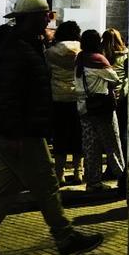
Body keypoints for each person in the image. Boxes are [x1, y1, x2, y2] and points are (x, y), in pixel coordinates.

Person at [0, 0, 102, 255]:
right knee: (47, 185)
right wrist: (15, 133)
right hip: (20, 133)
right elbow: (10, 94)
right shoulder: (18, 49)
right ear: (32, 18)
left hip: (12, 131)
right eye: (45, 16)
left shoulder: (21, 45)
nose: (49, 21)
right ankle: (64, 238)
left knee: (3, 191)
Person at [75, 29, 125, 192]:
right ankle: (123, 178)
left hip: (84, 107)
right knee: (112, 144)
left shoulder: (80, 58)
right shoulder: (98, 59)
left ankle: (93, 182)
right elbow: (115, 79)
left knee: (91, 146)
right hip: (102, 108)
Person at [45, 21, 83, 186]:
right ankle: (78, 172)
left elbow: (47, 74)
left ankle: (59, 173)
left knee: (60, 137)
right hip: (78, 97)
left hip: (58, 98)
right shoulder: (81, 50)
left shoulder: (50, 52)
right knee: (78, 136)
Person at [100, 28, 129, 190]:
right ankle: (122, 167)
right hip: (123, 100)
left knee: (109, 136)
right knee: (122, 134)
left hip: (107, 100)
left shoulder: (103, 58)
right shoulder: (125, 56)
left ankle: (111, 168)